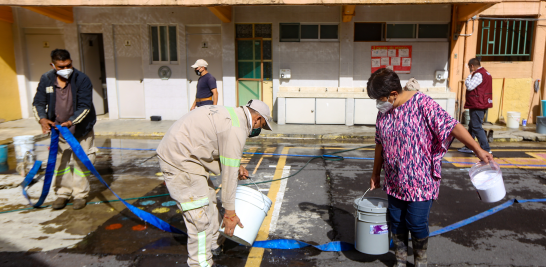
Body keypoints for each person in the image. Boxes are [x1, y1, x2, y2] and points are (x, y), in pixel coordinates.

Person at [367, 68, 493, 267]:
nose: (377, 104)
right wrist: (375, 173)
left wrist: (478, 149)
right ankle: (400, 261)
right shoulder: (384, 113)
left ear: (393, 94)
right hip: (394, 180)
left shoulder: (422, 104)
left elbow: (452, 125)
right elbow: (379, 143)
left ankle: (420, 261)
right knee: (397, 222)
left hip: (421, 180)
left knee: (416, 223)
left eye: (379, 99)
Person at [156, 100, 272, 267]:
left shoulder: (233, 116)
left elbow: (217, 140)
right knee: (199, 219)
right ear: (257, 119)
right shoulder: (236, 129)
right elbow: (230, 177)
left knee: (210, 202)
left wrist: (237, 165)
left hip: (190, 158)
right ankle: (200, 263)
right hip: (179, 160)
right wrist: (230, 214)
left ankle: (214, 245)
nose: (259, 129)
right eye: (262, 125)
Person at [32, 49, 97, 210]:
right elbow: (38, 102)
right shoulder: (46, 79)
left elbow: (85, 106)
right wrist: (42, 119)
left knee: (81, 162)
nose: (65, 69)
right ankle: (63, 193)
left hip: (81, 129)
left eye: (68, 65)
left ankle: (80, 195)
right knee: (61, 163)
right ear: (53, 65)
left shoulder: (81, 79)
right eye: (61, 67)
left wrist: (71, 122)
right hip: (58, 131)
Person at [458, 58, 493, 154]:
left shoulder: (478, 74)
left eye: (469, 67)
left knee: (476, 126)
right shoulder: (486, 73)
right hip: (480, 103)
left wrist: (468, 77)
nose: (469, 69)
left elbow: (470, 86)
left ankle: (486, 149)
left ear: (472, 66)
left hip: (478, 104)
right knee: (472, 125)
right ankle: (469, 146)